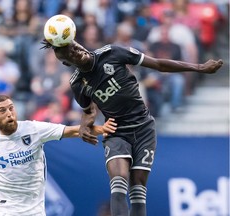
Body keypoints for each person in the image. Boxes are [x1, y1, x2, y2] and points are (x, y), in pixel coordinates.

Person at [40, 39, 223, 216]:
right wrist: (84, 126)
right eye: (71, 55)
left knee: (137, 189)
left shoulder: (112, 53)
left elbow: (159, 64)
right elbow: (88, 110)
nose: (76, 52)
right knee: (119, 180)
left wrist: (199, 67)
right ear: (66, 63)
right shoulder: (78, 83)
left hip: (144, 127)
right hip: (117, 132)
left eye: (75, 46)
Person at [0, 94, 117, 216]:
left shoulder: (33, 129)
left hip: (34, 212)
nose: (9, 113)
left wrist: (102, 129)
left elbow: (72, 131)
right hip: (2, 211)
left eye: (11, 108)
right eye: (2, 110)